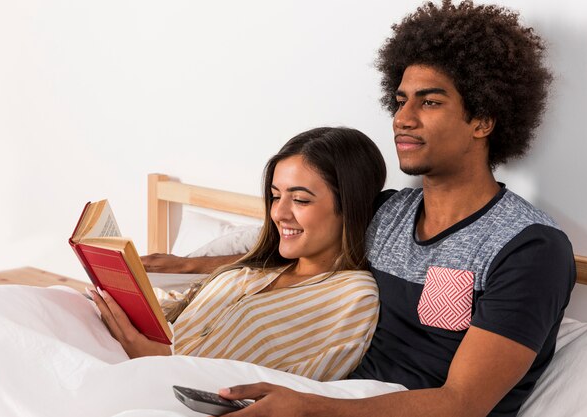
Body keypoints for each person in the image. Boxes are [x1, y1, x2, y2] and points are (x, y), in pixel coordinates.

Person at [145, 1, 575, 416]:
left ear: (483, 120)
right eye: (400, 100)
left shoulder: (530, 248)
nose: (402, 118)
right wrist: (186, 266)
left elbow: (461, 404)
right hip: (337, 397)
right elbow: (299, 249)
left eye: (429, 101)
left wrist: (309, 409)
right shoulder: (388, 213)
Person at [90, 126, 387, 382]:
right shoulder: (254, 269)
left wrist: (161, 363)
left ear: (350, 206)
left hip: (164, 388)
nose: (279, 213)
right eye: (275, 196)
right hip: (129, 358)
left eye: (300, 199)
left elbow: (297, 393)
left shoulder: (354, 296)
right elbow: (182, 313)